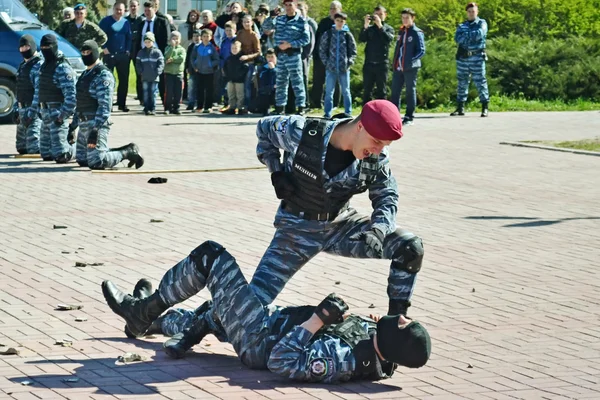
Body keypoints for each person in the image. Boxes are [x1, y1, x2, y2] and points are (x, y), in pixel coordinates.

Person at [126, 100, 425, 359]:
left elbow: (387, 196)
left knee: (410, 248)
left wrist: (379, 230)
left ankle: (394, 321)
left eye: (385, 145)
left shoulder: (374, 160)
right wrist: (276, 171)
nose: (378, 150)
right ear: (360, 125)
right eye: (376, 141)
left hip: (340, 226)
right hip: (297, 231)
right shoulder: (304, 133)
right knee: (248, 309)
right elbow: (264, 130)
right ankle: (170, 320)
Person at [101, 241, 431, 381]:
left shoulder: (343, 359)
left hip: (260, 341)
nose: (401, 317)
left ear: (396, 345)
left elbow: (281, 361)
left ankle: (141, 312)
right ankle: (151, 323)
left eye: (404, 324)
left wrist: (319, 319)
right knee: (213, 313)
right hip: (268, 324)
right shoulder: (375, 345)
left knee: (211, 257)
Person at [74, 40, 144, 170]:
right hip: (83, 124)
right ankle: (107, 150)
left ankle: (128, 152)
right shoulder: (85, 75)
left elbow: (105, 107)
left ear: (95, 53)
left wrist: (96, 129)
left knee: (96, 162)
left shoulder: (103, 75)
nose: (85, 55)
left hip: (96, 124)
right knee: (83, 160)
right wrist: (72, 126)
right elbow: (79, 101)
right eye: (83, 52)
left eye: (88, 52)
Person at [31, 34, 77, 163]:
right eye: (43, 47)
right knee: (46, 155)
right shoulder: (43, 66)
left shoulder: (62, 68)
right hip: (45, 114)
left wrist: (62, 116)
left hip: (57, 114)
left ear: (55, 46)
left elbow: (71, 96)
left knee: (62, 156)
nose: (45, 49)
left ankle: (82, 150)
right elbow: (38, 90)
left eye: (48, 47)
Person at [451, 2, 489, 117]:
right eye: (469, 11)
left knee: (480, 82)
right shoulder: (462, 25)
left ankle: (484, 107)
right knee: (462, 82)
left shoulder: (482, 23)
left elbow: (480, 34)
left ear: (477, 12)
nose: (471, 13)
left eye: (473, 11)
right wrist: (470, 36)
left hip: (477, 57)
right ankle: (460, 107)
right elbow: (457, 39)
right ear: (466, 13)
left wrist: (466, 36)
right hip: (463, 58)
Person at [271, 0, 309, 115]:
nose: (288, 7)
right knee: (281, 82)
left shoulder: (301, 21)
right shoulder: (279, 19)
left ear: (295, 6)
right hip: (281, 56)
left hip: (293, 55)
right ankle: (280, 107)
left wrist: (290, 44)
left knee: (297, 82)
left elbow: (306, 39)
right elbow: (266, 27)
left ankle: (301, 107)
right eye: (286, 5)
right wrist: (271, 15)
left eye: (290, 5)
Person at [390, 8, 425, 126]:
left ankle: (409, 117)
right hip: (398, 67)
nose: (404, 20)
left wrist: (411, 61)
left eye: (407, 18)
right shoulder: (401, 31)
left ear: (412, 18)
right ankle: (394, 116)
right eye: (403, 17)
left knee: (410, 91)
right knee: (395, 92)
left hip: (410, 67)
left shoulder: (416, 32)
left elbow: (421, 51)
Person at [319, 12, 356, 119]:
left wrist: (349, 62)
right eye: (338, 20)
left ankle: (348, 112)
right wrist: (327, 62)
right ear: (334, 21)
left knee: (346, 91)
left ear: (345, 22)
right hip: (331, 68)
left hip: (344, 69)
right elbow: (322, 49)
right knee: (329, 92)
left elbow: (353, 51)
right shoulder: (328, 34)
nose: (340, 23)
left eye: (342, 21)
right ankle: (327, 113)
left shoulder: (347, 35)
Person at [99, 1, 132, 112]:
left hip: (123, 56)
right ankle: (108, 104)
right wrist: (104, 48)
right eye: (117, 9)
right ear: (113, 9)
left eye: (121, 10)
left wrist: (128, 50)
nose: (119, 11)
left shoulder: (126, 22)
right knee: (108, 81)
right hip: (109, 55)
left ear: (124, 11)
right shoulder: (106, 21)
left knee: (124, 81)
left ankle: (122, 104)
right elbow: (99, 36)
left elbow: (129, 37)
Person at [359, 5, 395, 106]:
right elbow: (362, 38)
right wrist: (365, 25)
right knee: (367, 91)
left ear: (385, 15)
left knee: (382, 91)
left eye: (380, 14)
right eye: (376, 14)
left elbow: (388, 40)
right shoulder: (370, 29)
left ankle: (382, 114)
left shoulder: (389, 28)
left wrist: (380, 26)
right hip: (369, 64)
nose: (378, 16)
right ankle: (365, 115)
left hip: (382, 64)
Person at [311, 1, 342, 110]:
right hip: (320, 57)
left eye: (335, 8)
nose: (333, 10)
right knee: (318, 81)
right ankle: (316, 104)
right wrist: (315, 55)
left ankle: (334, 104)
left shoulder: (342, 23)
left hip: (335, 58)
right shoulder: (323, 22)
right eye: (331, 8)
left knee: (335, 81)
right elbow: (317, 39)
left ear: (340, 10)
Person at [14, 35, 42, 155]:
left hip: (33, 109)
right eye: (22, 47)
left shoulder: (38, 65)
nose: (24, 49)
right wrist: (16, 108)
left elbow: (38, 91)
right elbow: (19, 88)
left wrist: (32, 112)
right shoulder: (22, 65)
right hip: (21, 108)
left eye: (27, 46)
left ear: (33, 46)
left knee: (34, 149)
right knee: (21, 148)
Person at [140, 1, 171, 107]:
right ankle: (146, 104)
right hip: (144, 55)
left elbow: (166, 40)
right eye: (145, 11)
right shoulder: (142, 23)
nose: (147, 13)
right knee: (144, 80)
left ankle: (165, 104)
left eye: (149, 10)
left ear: (154, 9)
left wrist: (165, 55)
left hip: (157, 55)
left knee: (161, 80)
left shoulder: (162, 22)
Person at [236, 14, 261, 112]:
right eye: (244, 22)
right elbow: (236, 46)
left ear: (252, 23)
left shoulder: (254, 35)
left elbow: (258, 52)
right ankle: (238, 105)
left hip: (250, 62)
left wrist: (248, 56)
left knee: (247, 85)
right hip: (240, 62)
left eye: (248, 22)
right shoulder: (240, 33)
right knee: (238, 84)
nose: (246, 24)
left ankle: (247, 106)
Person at [136, 32, 165, 115]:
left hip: (154, 77)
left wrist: (158, 72)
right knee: (145, 92)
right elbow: (138, 63)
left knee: (153, 93)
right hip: (144, 76)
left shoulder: (157, 52)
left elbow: (161, 63)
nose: (147, 43)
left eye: (149, 42)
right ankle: (146, 107)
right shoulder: (141, 52)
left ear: (153, 42)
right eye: (146, 42)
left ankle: (152, 108)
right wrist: (140, 72)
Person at [191, 29, 219, 113]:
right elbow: (192, 58)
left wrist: (210, 65)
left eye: (208, 36)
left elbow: (216, 59)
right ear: (201, 37)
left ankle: (208, 106)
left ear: (211, 37)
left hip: (209, 72)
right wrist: (195, 66)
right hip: (199, 71)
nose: (206, 38)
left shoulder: (212, 48)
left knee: (209, 90)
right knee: (200, 89)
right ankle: (199, 106)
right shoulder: (197, 47)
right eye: (204, 36)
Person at [222, 41, 248, 115]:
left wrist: (240, 75)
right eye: (232, 48)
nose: (234, 49)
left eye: (236, 48)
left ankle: (240, 108)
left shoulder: (242, 59)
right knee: (231, 94)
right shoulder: (229, 58)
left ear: (240, 49)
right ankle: (232, 107)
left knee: (240, 94)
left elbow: (245, 68)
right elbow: (225, 68)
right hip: (230, 80)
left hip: (239, 80)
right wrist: (227, 76)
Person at [126, 0, 145, 105]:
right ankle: (122, 100)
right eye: (131, 6)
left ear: (138, 7)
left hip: (138, 51)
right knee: (124, 76)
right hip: (127, 51)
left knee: (139, 75)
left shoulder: (142, 20)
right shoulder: (125, 20)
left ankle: (141, 98)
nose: (133, 8)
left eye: (135, 6)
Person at [164, 31, 186, 115]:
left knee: (178, 91)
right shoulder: (167, 48)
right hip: (169, 72)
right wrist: (172, 47)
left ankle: (176, 107)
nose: (175, 40)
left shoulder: (182, 49)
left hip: (178, 73)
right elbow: (166, 56)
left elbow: (181, 59)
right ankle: (167, 107)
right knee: (169, 91)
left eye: (177, 39)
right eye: (173, 38)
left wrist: (172, 60)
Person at [254, 49, 277, 116]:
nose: (270, 59)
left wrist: (273, 70)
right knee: (264, 92)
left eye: (272, 57)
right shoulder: (263, 68)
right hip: (267, 89)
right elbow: (262, 81)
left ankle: (278, 108)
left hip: (277, 89)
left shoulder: (280, 67)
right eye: (268, 57)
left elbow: (277, 78)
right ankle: (265, 109)